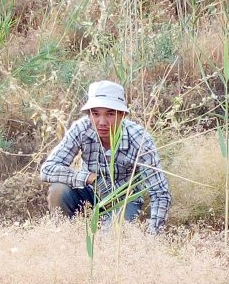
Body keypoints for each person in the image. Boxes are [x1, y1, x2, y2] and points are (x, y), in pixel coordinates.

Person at [40, 80, 171, 233]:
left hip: (124, 200)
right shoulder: (81, 128)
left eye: (110, 114)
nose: (102, 122)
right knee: (58, 190)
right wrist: (89, 178)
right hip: (88, 191)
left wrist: (152, 235)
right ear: (89, 114)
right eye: (95, 114)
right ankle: (64, 237)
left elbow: (160, 193)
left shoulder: (139, 139)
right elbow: (47, 170)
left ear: (122, 114)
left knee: (109, 238)